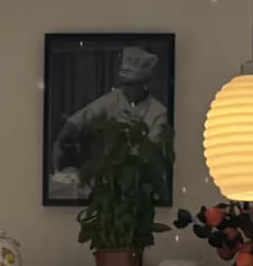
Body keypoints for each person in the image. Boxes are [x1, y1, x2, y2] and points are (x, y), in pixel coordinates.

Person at [49, 47, 169, 189]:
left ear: (144, 85)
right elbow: (84, 115)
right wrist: (60, 140)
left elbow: (148, 153)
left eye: (131, 85)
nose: (125, 89)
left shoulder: (159, 112)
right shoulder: (114, 98)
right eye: (124, 84)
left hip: (141, 182)